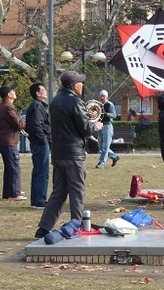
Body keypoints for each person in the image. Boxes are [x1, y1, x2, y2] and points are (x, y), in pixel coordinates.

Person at [35, 71, 103, 238]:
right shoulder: (75, 101)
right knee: (77, 191)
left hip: (58, 153)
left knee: (58, 192)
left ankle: (44, 227)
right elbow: (85, 129)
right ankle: (76, 224)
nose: (82, 85)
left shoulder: (55, 101)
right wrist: (96, 125)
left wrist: (87, 117)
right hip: (73, 155)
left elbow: (70, 121)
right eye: (80, 82)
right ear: (74, 85)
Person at [0, 84, 27, 201]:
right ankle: (14, 193)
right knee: (14, 167)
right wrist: (29, 124)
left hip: (5, 140)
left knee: (9, 168)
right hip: (8, 141)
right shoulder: (8, 107)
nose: (15, 92)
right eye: (13, 91)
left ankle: (9, 191)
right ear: (9, 94)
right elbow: (17, 123)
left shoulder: (4, 106)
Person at [26, 83, 51, 209]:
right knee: (42, 171)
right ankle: (40, 200)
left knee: (37, 171)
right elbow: (37, 125)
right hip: (40, 143)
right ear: (37, 93)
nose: (46, 91)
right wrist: (44, 140)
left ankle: (35, 200)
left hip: (38, 142)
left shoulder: (37, 105)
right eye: (43, 90)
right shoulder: (37, 106)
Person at [95, 89, 120, 169]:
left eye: (103, 96)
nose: (102, 97)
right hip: (101, 126)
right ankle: (114, 156)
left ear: (106, 96)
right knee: (100, 146)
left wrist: (107, 114)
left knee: (105, 146)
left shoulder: (109, 104)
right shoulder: (99, 105)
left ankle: (101, 162)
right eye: (101, 96)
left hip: (107, 126)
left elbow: (114, 115)